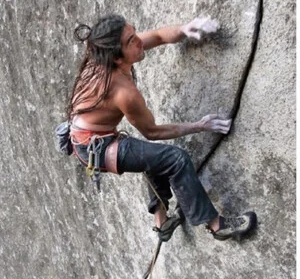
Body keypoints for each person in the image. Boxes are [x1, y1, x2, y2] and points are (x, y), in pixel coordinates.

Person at [65, 13, 257, 242]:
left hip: (88, 136)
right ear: (117, 57)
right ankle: (217, 226)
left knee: (152, 158)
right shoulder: (124, 93)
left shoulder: (108, 54)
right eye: (131, 41)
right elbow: (152, 132)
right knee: (175, 159)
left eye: (134, 32)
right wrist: (199, 125)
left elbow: (157, 36)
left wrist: (186, 29)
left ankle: (162, 222)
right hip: (97, 147)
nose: (138, 40)